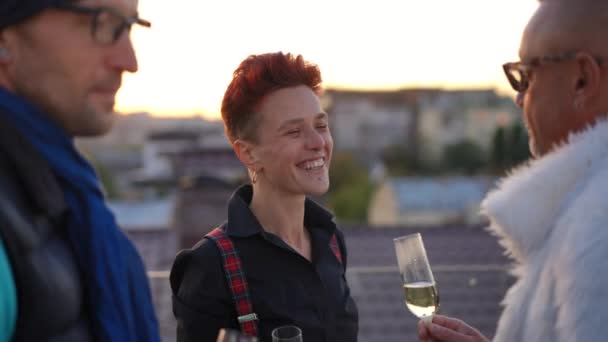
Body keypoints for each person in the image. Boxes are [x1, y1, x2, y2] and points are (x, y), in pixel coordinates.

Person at [418, 0, 608, 341]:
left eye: (525, 75)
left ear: (582, 79)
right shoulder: (585, 210)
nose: (519, 98)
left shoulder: (596, 229)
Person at [170, 52, 359, 342]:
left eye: (321, 126)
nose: (318, 142)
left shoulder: (331, 240)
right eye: (294, 131)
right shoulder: (209, 267)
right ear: (248, 153)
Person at [0, 0, 160, 341]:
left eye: (130, 26)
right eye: (102, 24)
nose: (129, 62)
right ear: (5, 39)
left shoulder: (54, 183)